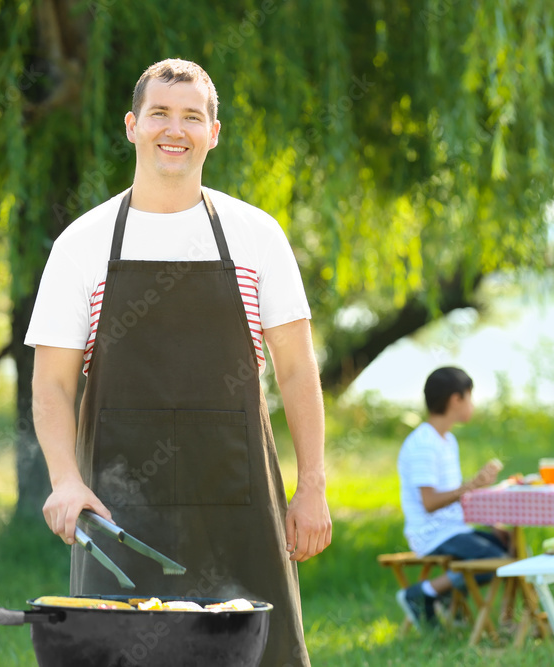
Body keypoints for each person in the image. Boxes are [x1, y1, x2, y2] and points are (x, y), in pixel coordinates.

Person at [25, 58, 330, 666]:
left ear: (213, 133)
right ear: (133, 125)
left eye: (193, 116)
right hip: (118, 513)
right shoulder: (80, 245)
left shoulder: (256, 235)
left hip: (240, 505)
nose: (176, 128)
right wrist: (65, 481)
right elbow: (53, 386)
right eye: (161, 113)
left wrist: (312, 488)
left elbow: (296, 370)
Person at [395, 366, 509, 629]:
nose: (472, 404)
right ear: (455, 400)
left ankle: (449, 600)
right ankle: (423, 594)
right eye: (470, 396)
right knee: (495, 559)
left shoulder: (447, 441)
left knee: (509, 546)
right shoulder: (424, 443)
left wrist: (491, 523)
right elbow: (430, 502)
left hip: (453, 528)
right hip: (431, 533)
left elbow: (454, 498)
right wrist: (471, 485)